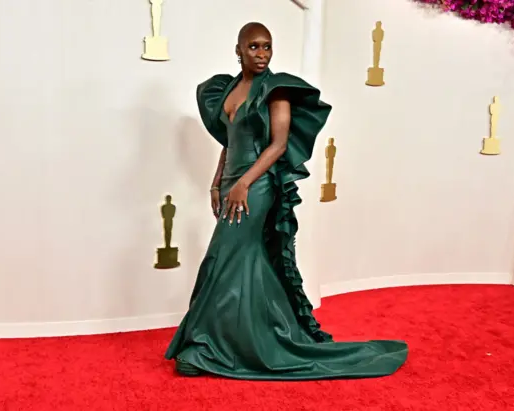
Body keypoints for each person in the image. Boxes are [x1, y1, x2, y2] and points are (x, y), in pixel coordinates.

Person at [164, 22, 408, 380]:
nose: (261, 55)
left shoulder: (276, 90)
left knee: (222, 257)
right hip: (233, 183)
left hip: (257, 185)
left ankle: (206, 347)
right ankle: (261, 335)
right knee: (246, 260)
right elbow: (230, 142)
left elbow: (278, 145)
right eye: (254, 48)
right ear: (238, 50)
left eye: (267, 47)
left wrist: (244, 183)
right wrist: (217, 183)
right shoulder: (227, 90)